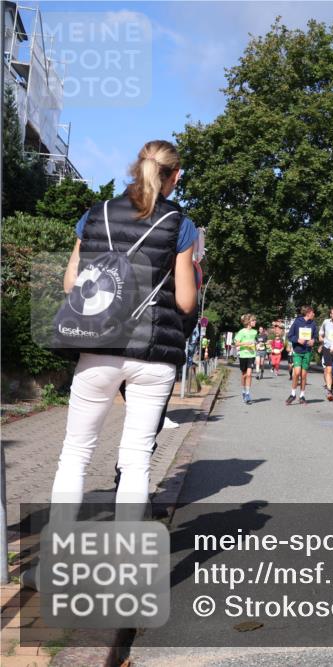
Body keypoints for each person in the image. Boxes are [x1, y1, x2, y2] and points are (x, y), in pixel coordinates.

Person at [51, 139, 198, 518]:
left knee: (76, 453)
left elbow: (71, 284)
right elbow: (184, 302)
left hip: (99, 345)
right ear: (175, 177)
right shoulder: (180, 225)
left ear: (137, 166)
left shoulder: (94, 214)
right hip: (154, 352)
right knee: (136, 461)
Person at [286, 305, 318, 405]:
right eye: (313, 312)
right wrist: (297, 340)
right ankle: (293, 394)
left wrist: (313, 340)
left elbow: (315, 337)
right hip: (297, 351)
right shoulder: (297, 322)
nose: (314, 314)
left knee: (304, 375)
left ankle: (302, 396)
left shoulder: (313, 324)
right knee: (296, 372)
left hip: (307, 352)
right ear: (308, 313)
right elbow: (289, 336)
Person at [234, 314, 258, 404]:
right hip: (243, 355)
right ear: (249, 322)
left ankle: (248, 393)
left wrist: (256, 344)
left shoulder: (255, 332)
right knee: (244, 375)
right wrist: (246, 343)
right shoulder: (242, 332)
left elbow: (254, 341)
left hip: (252, 355)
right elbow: (236, 343)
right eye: (253, 320)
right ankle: (243, 391)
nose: (255, 322)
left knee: (249, 374)